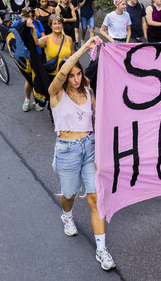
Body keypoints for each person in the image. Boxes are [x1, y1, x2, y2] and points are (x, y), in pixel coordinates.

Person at [48, 35, 115, 271]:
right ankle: (67, 215)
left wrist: (102, 152)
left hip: (89, 147)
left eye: (79, 74)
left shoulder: (88, 92)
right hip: (67, 150)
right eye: (72, 75)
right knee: (69, 194)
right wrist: (84, 49)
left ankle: (101, 250)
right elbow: (60, 74)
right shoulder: (56, 93)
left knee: (95, 198)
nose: (76, 79)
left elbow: (100, 119)